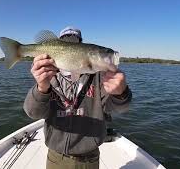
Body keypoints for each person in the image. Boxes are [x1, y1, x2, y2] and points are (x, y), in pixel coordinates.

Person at [23, 26, 132, 169]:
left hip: (89, 159)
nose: (70, 46)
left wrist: (121, 93)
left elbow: (119, 108)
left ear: (81, 45)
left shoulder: (100, 77)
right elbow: (33, 113)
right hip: (56, 157)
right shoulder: (47, 75)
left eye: (75, 43)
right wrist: (42, 88)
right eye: (65, 43)